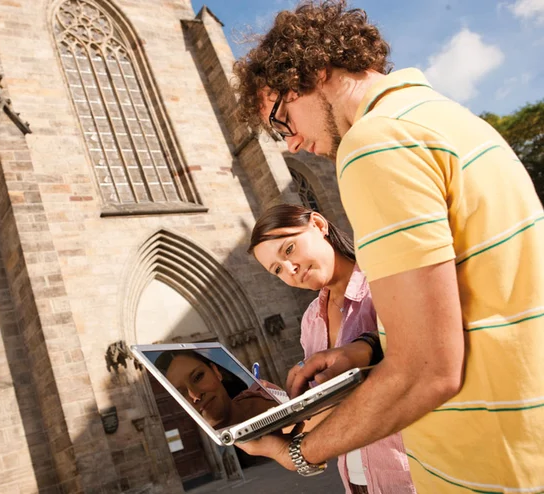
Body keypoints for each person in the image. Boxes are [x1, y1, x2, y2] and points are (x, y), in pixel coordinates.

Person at [231, 1, 544, 492]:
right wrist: (362, 353)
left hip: (485, 463)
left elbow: (426, 371)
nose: (289, 143)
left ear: (313, 70)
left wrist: (296, 453)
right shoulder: (443, 116)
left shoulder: (373, 143)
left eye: (281, 117)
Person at [247, 203, 415, 494]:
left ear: (318, 225)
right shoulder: (311, 320)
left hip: (410, 473)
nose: (290, 269)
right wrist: (279, 409)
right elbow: (324, 412)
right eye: (277, 270)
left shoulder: (383, 279)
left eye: (288, 250)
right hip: (357, 480)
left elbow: (418, 361)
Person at [154, 350, 277, 429]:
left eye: (198, 377)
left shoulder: (266, 403)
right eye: (180, 393)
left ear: (216, 372)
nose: (195, 395)